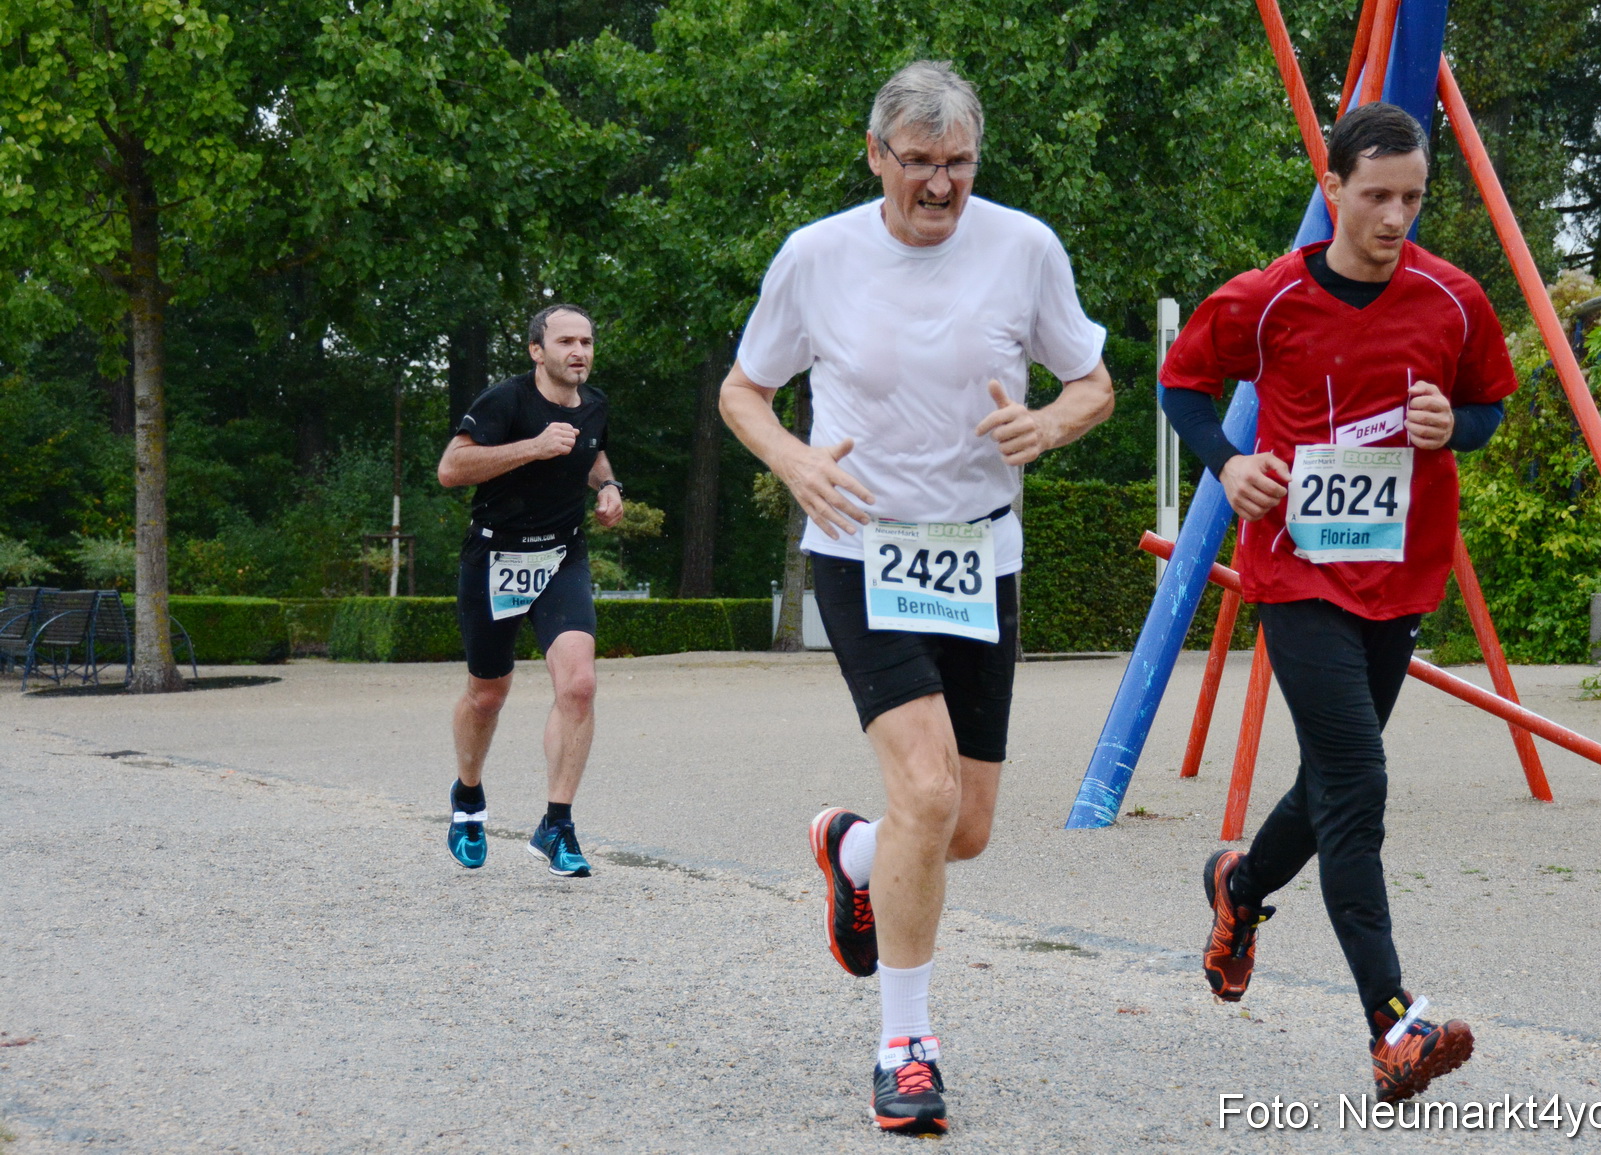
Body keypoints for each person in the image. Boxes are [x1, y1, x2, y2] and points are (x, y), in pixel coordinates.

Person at [718, 60, 1114, 1135]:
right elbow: (742, 390)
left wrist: (1053, 424)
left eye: (958, 163)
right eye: (919, 164)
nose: (939, 186)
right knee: (929, 793)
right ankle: (906, 1045)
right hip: (862, 549)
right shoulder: (818, 256)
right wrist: (796, 463)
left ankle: (849, 849)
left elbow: (1092, 380)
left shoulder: (1024, 247)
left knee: (963, 827)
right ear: (875, 154)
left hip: (980, 557)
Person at [1161, 102, 1515, 1103]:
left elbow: (1489, 403)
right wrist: (1227, 467)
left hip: (1399, 576)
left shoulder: (1452, 300)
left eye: (1412, 197)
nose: (1394, 216)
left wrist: (1458, 427)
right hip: (1296, 569)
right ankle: (1391, 1024)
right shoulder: (1266, 299)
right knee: (1356, 780)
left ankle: (1239, 889)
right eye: (1375, 196)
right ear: (1332, 190)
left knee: (1328, 784)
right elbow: (1181, 383)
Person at [436, 304, 624, 878]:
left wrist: (610, 483)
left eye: (587, 341)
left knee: (580, 685)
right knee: (487, 694)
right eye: (565, 341)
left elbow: (590, 449)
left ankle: (557, 825)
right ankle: (468, 798)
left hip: (561, 555)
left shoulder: (596, 405)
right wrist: (533, 447)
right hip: (494, 555)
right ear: (537, 351)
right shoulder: (505, 401)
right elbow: (451, 468)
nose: (579, 352)